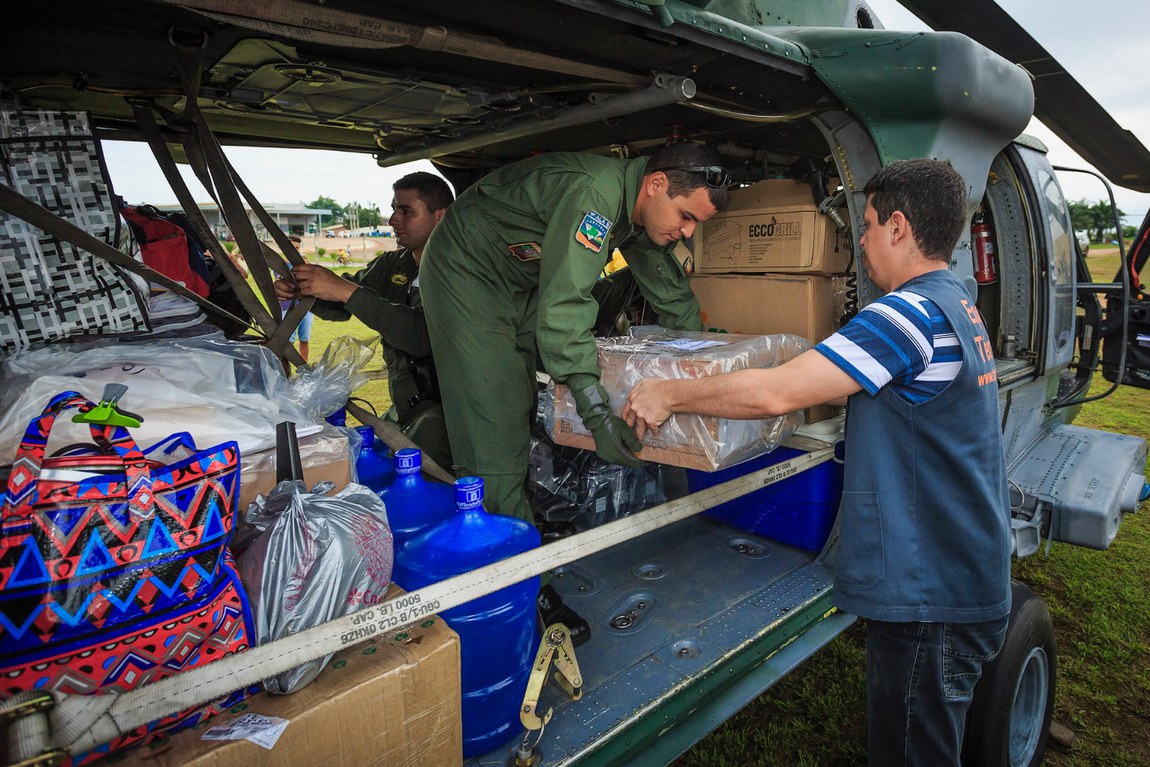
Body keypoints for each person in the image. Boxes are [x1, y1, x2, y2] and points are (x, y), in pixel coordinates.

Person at [623, 158, 1011, 766]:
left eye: (868, 224)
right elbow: (852, 385)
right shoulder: (955, 303)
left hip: (929, 593)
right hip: (961, 571)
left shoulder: (905, 316)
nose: (860, 240)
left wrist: (670, 392)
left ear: (900, 228)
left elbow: (776, 394)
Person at [420, 143, 729, 646]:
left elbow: (669, 290)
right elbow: (566, 306)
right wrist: (595, 414)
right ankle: (524, 590)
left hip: (518, 284)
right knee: (492, 433)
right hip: (468, 275)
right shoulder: (596, 195)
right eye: (686, 216)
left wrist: (715, 370)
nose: (688, 232)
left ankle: (521, 524)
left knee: (518, 412)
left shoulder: (640, 214)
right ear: (656, 184)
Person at [273, 172, 454, 469]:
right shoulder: (395, 264)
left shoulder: (461, 269)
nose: (393, 219)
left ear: (441, 216)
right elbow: (341, 306)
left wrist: (345, 290)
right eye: (394, 209)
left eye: (406, 211)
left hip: (450, 411)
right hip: (408, 406)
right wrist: (303, 290)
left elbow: (421, 336)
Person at [282, 235, 313, 362]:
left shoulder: (306, 263)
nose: (295, 250)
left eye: (297, 248)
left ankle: (303, 369)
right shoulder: (282, 265)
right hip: (287, 306)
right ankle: (286, 369)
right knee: (288, 340)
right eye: (293, 247)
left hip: (306, 307)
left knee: (304, 339)